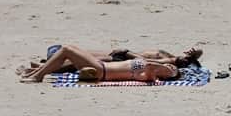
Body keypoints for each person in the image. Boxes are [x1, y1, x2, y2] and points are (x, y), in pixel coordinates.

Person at [20, 45, 180, 83]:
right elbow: (148, 62)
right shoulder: (145, 66)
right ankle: (35, 73)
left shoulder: (149, 76)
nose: (170, 68)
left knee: (66, 49)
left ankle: (37, 76)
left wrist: (168, 68)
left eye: (172, 71)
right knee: (69, 49)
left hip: (100, 70)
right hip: (99, 65)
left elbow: (151, 67)